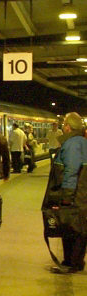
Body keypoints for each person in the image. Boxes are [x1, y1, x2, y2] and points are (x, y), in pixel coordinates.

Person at [51, 112, 87, 274]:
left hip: (74, 195)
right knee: (79, 228)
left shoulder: (73, 144)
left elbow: (71, 171)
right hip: (81, 194)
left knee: (70, 228)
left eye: (64, 123)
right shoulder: (82, 142)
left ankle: (70, 263)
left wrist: (65, 197)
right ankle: (76, 262)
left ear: (68, 127)